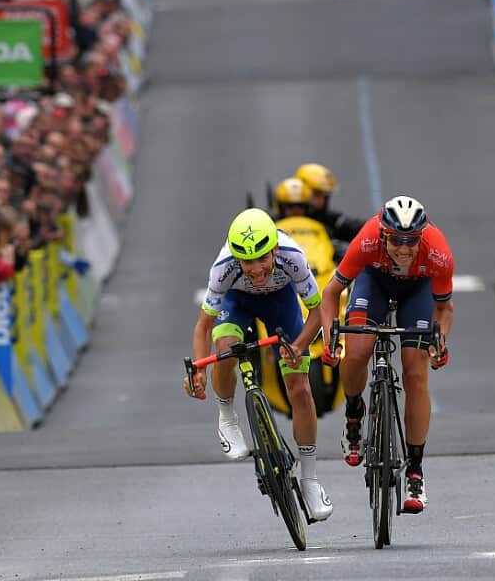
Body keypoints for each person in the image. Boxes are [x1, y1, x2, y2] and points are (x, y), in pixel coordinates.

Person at [184, 208, 333, 522]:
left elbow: (319, 312)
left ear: (274, 250)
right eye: (247, 261)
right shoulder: (223, 267)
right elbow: (203, 327)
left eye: (262, 259)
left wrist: (299, 346)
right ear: (237, 257)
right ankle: (227, 417)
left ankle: (310, 479)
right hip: (236, 305)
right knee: (224, 350)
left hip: (282, 304)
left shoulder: (293, 256)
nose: (255, 269)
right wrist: (197, 369)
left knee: (301, 390)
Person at [318, 195, 453, 514]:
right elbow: (330, 294)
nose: (404, 249)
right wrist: (330, 340)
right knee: (357, 350)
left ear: (422, 237)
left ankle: (416, 472)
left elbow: (444, 308)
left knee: (416, 373)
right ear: (383, 235)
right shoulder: (365, 241)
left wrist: (440, 341)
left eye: (411, 241)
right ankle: (354, 412)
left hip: (417, 292)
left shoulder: (438, 252)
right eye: (396, 241)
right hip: (373, 283)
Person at [295, 163, 366, 248]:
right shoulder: (283, 218)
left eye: (324, 196)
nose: (321, 201)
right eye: (317, 194)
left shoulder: (331, 220)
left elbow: (354, 226)